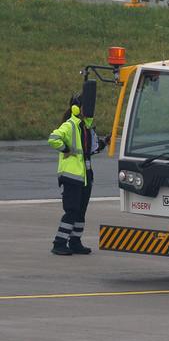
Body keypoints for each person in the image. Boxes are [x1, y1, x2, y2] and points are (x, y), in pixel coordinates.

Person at [49, 96, 98, 257]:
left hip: (84, 176)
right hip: (72, 176)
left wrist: (103, 143)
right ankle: (59, 243)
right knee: (72, 210)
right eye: (86, 107)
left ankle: (75, 242)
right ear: (77, 108)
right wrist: (65, 149)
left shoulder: (85, 127)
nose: (89, 111)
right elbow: (53, 138)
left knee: (81, 212)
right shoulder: (70, 125)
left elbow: (89, 150)